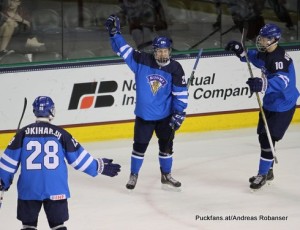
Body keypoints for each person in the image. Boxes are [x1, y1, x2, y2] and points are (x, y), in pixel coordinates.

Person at [0, 96, 121, 230]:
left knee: (28, 226)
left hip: (29, 189)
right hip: (56, 189)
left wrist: (2, 183)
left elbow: (8, 163)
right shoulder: (61, 134)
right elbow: (78, 159)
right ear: (51, 111)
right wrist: (97, 166)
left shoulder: (22, 134)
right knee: (58, 226)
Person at [104, 15, 188, 190]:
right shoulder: (141, 60)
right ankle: (133, 175)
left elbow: (180, 94)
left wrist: (179, 112)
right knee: (139, 148)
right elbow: (124, 49)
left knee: (166, 148)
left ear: (169, 51)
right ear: (154, 51)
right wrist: (115, 33)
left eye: (165, 51)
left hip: (165, 117)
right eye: (159, 51)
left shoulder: (176, 68)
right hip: (144, 116)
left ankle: (166, 175)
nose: (162, 54)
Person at [225, 23, 299, 190]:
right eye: (262, 37)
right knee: (263, 137)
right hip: (270, 103)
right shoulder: (266, 53)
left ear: (275, 40)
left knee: (268, 139)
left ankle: (262, 174)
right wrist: (240, 51)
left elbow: (283, 81)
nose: (262, 40)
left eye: (266, 38)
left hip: (283, 106)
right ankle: (269, 169)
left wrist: (262, 83)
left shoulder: (279, 59)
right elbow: (254, 58)